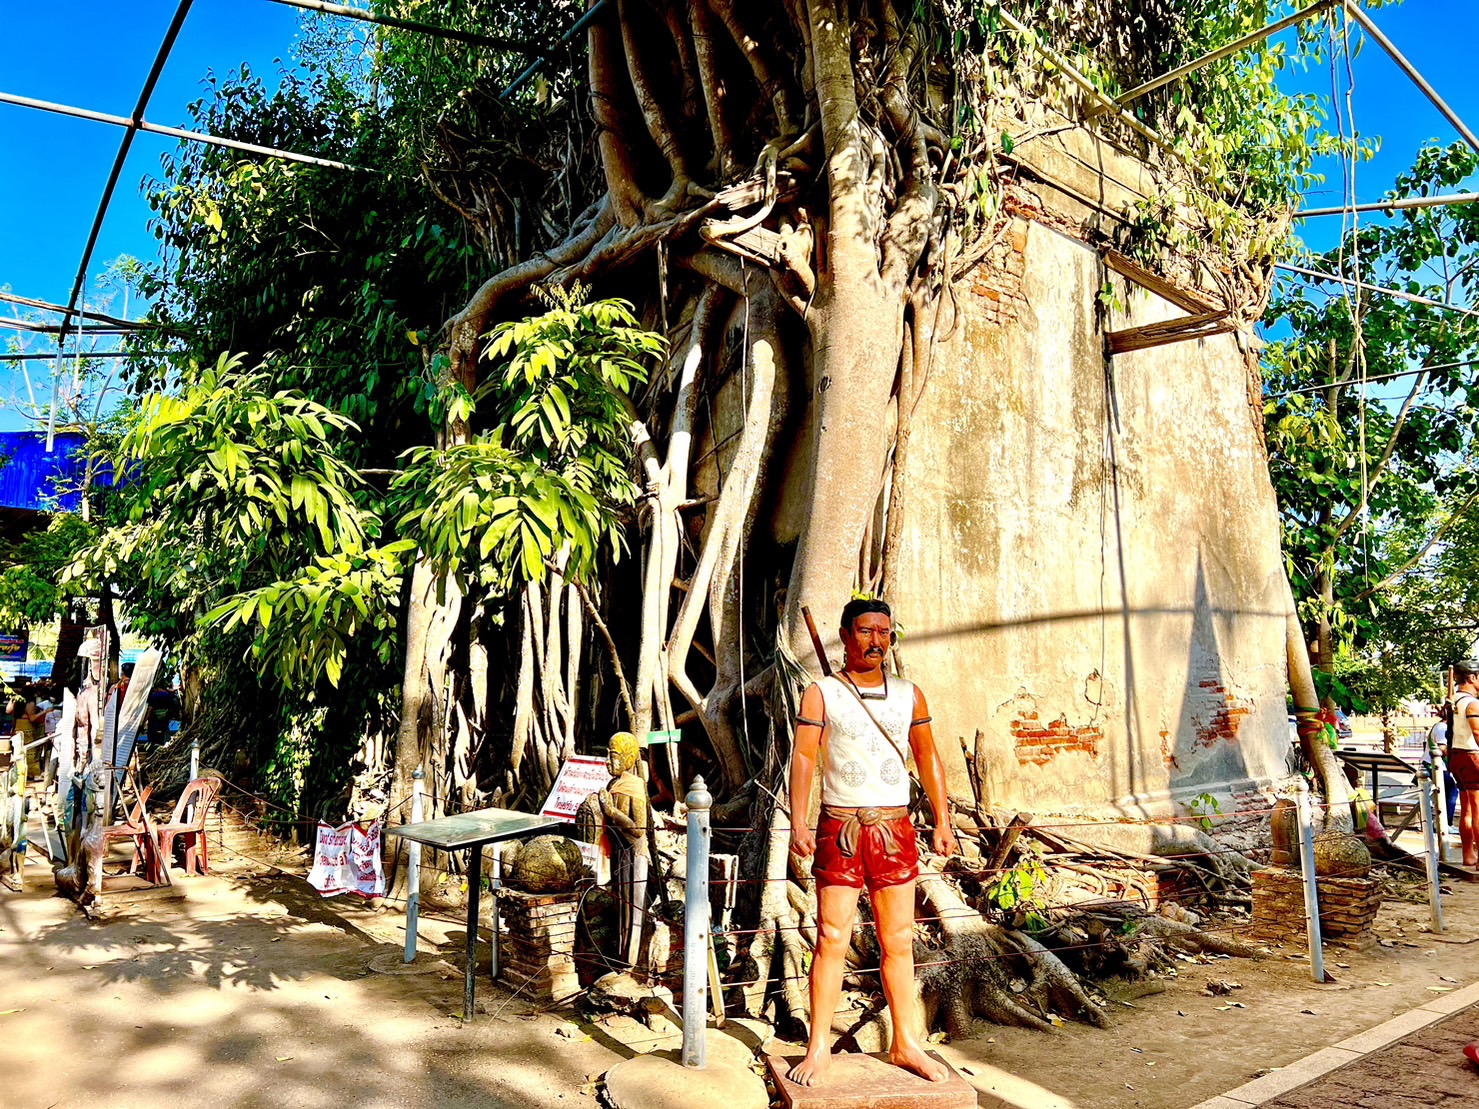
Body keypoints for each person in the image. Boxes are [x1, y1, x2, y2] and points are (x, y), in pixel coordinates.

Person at [787, 598, 959, 1087]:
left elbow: (927, 756)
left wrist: (942, 820)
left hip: (894, 829)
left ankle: (906, 1043)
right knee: (831, 937)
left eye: (884, 632)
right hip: (840, 829)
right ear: (845, 635)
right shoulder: (821, 693)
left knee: (899, 940)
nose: (876, 641)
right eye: (865, 631)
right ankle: (818, 1046)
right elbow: (804, 757)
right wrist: (799, 821)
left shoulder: (909, 695)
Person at [1445, 660, 1479, 867]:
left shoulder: (1453, 701)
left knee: (1466, 809)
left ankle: (1468, 855)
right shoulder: (1472, 703)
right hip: (1472, 756)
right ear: (1473, 677)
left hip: (1457, 756)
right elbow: (1477, 732)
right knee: (1477, 809)